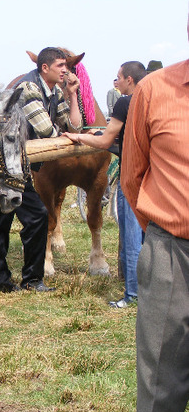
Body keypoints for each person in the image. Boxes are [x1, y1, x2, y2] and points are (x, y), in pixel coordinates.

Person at [122, 12, 189, 412]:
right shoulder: (154, 89)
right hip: (171, 254)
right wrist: (160, 239)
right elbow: (132, 175)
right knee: (161, 386)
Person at [0, 47, 82, 294]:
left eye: (67, 66)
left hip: (19, 165)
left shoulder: (54, 92)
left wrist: (72, 95)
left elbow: (74, 125)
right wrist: (66, 135)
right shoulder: (29, 88)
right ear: (45, 68)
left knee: (36, 216)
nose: (66, 70)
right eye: (61, 65)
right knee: (2, 220)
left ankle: (31, 280)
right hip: (3, 163)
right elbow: (46, 131)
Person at [63, 61, 147, 308]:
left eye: (118, 77)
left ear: (129, 80)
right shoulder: (154, 98)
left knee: (130, 236)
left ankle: (132, 294)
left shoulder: (125, 102)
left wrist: (78, 136)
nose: (116, 81)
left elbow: (106, 140)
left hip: (132, 176)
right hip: (155, 178)